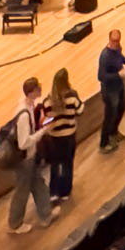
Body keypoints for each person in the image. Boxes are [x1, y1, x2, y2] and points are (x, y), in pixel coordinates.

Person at [2, 78, 52, 234]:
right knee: (22, 192)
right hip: (24, 161)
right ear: (31, 92)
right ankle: (15, 224)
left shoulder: (28, 105)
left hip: (30, 158)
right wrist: (42, 132)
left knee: (39, 185)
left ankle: (46, 215)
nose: (40, 90)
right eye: (38, 88)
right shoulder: (23, 114)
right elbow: (23, 143)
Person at [40, 67, 81, 207]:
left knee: (55, 164)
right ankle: (65, 191)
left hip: (54, 138)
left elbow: (47, 119)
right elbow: (80, 110)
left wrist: (55, 119)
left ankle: (54, 192)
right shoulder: (72, 97)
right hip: (69, 136)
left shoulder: (47, 101)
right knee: (68, 163)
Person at [97, 29, 125, 151]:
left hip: (119, 87)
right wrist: (118, 75)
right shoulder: (105, 56)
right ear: (110, 39)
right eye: (114, 41)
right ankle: (103, 143)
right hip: (110, 91)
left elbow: (120, 58)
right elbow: (101, 76)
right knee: (109, 116)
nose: (116, 43)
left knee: (121, 109)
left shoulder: (118, 49)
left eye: (118, 40)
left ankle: (114, 132)